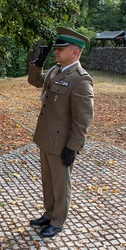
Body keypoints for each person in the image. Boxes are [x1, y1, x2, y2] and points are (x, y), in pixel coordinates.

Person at [27, 26, 94, 237]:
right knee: (48, 180)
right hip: (46, 137)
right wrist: (37, 64)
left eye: (61, 49)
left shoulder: (81, 79)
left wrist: (73, 147)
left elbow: (83, 119)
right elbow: (35, 81)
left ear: (75, 52)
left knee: (61, 183)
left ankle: (58, 220)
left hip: (62, 142)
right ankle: (49, 213)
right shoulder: (56, 71)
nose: (56, 52)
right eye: (56, 49)